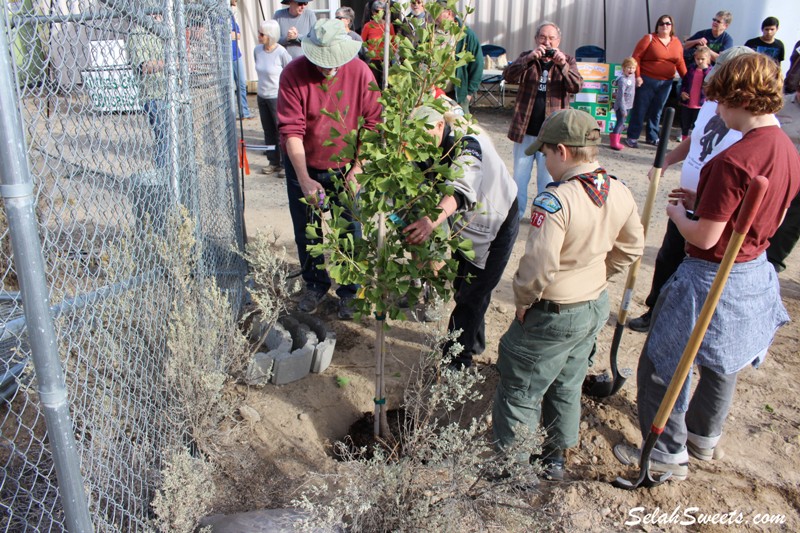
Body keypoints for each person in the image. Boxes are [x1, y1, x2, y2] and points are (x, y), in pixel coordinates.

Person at [614, 53, 800, 482]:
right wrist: (705, 203)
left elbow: (705, 238)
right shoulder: (786, 148)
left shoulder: (736, 159)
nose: (716, 110)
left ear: (742, 98)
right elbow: (756, 214)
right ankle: (703, 436)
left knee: (663, 361)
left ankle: (664, 453)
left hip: (710, 273)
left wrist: (681, 218)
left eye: (720, 101)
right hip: (754, 270)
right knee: (723, 359)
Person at [492, 109, 644, 481]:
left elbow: (537, 268)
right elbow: (633, 246)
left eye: (545, 154)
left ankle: (514, 470)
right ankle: (554, 458)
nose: (544, 161)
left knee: (521, 387)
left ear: (562, 151)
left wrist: (524, 301)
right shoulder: (619, 189)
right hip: (593, 305)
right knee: (567, 381)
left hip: (552, 311)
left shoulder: (556, 201)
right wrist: (598, 275)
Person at [626, 46, 753, 333]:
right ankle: (654, 310)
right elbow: (696, 140)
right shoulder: (712, 104)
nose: (713, 75)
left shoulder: (742, 119)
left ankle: (682, 323)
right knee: (667, 257)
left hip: (712, 206)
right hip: (686, 198)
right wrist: (667, 160)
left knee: (694, 267)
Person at [278, 19, 381, 320]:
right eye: (320, 62)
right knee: (307, 230)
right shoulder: (293, 75)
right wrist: (305, 179)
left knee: (349, 229)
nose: (326, 68)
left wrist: (358, 168)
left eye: (331, 62)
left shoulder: (361, 72)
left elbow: (373, 123)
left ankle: (350, 290)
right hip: (304, 164)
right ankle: (315, 284)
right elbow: (291, 132)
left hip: (347, 166)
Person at [402, 105, 518, 370]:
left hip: (496, 222)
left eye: (423, 132)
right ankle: (473, 343)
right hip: (464, 226)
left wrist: (430, 222)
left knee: (473, 294)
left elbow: (460, 188)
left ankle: (456, 360)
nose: (419, 140)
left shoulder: (469, 144)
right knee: (464, 285)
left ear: (441, 126)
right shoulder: (429, 147)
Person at [503, 21, 583, 220]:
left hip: (552, 135)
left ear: (559, 40)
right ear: (536, 39)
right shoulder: (527, 57)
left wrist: (563, 64)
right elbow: (508, 76)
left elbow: (576, 86)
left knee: (547, 179)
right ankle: (516, 216)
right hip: (526, 130)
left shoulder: (569, 60)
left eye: (551, 38)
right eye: (543, 37)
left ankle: (544, 217)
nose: (547, 42)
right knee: (519, 178)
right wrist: (529, 59)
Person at [625, 14, 686, 148]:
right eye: (662, 23)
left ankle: (652, 137)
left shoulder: (676, 42)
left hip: (666, 82)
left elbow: (680, 62)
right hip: (647, 79)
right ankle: (632, 136)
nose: (665, 26)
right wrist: (638, 76)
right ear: (657, 26)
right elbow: (636, 57)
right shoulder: (649, 38)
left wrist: (687, 79)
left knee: (657, 110)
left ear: (672, 26)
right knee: (640, 109)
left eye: (668, 23)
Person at [254, 20, 292, 176]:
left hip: (276, 97)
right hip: (261, 96)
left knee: (280, 131)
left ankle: (285, 164)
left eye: (262, 34)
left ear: (270, 36)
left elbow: (290, 71)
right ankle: (273, 162)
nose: (259, 36)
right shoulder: (257, 50)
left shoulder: (281, 52)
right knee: (268, 131)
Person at [433, 0, 483, 113]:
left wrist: (468, 94)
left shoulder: (466, 35)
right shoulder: (431, 33)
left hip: (456, 96)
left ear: (449, 13)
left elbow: (477, 66)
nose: (433, 15)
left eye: (437, 12)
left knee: (459, 127)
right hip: (433, 94)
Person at [678, 46, 711, 140]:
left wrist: (704, 69)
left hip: (701, 104)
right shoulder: (691, 69)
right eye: (697, 59)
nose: (700, 61)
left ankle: (694, 142)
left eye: (702, 59)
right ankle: (684, 139)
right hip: (688, 102)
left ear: (708, 59)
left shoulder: (710, 71)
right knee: (685, 124)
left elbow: (709, 81)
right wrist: (683, 92)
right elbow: (684, 83)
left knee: (697, 126)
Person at [361, 1, 395, 88]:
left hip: (386, 59)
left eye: (381, 11)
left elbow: (394, 42)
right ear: (372, 12)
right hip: (373, 59)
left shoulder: (389, 25)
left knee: (387, 84)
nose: (378, 13)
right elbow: (362, 42)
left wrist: (392, 55)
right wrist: (368, 55)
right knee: (373, 84)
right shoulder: (368, 26)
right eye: (376, 11)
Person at [230, 0, 253, 119]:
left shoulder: (230, 15)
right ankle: (230, 113)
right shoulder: (218, 15)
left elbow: (237, 35)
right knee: (228, 88)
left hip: (236, 56)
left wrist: (231, 34)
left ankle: (244, 112)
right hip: (226, 58)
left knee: (242, 84)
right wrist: (231, 34)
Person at [609, 57, 637, 151]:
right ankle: (614, 142)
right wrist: (623, 109)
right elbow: (620, 97)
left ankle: (617, 140)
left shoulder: (632, 77)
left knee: (622, 123)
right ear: (623, 68)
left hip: (629, 105)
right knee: (620, 123)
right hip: (622, 106)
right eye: (629, 68)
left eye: (633, 68)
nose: (631, 70)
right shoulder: (622, 80)